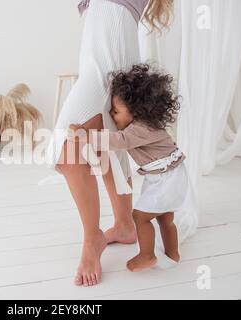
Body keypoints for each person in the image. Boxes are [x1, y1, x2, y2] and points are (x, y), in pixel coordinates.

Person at [45, 0, 174, 286]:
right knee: (104, 138)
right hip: (104, 41)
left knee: (71, 141)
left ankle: (93, 238)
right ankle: (126, 224)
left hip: (109, 44)